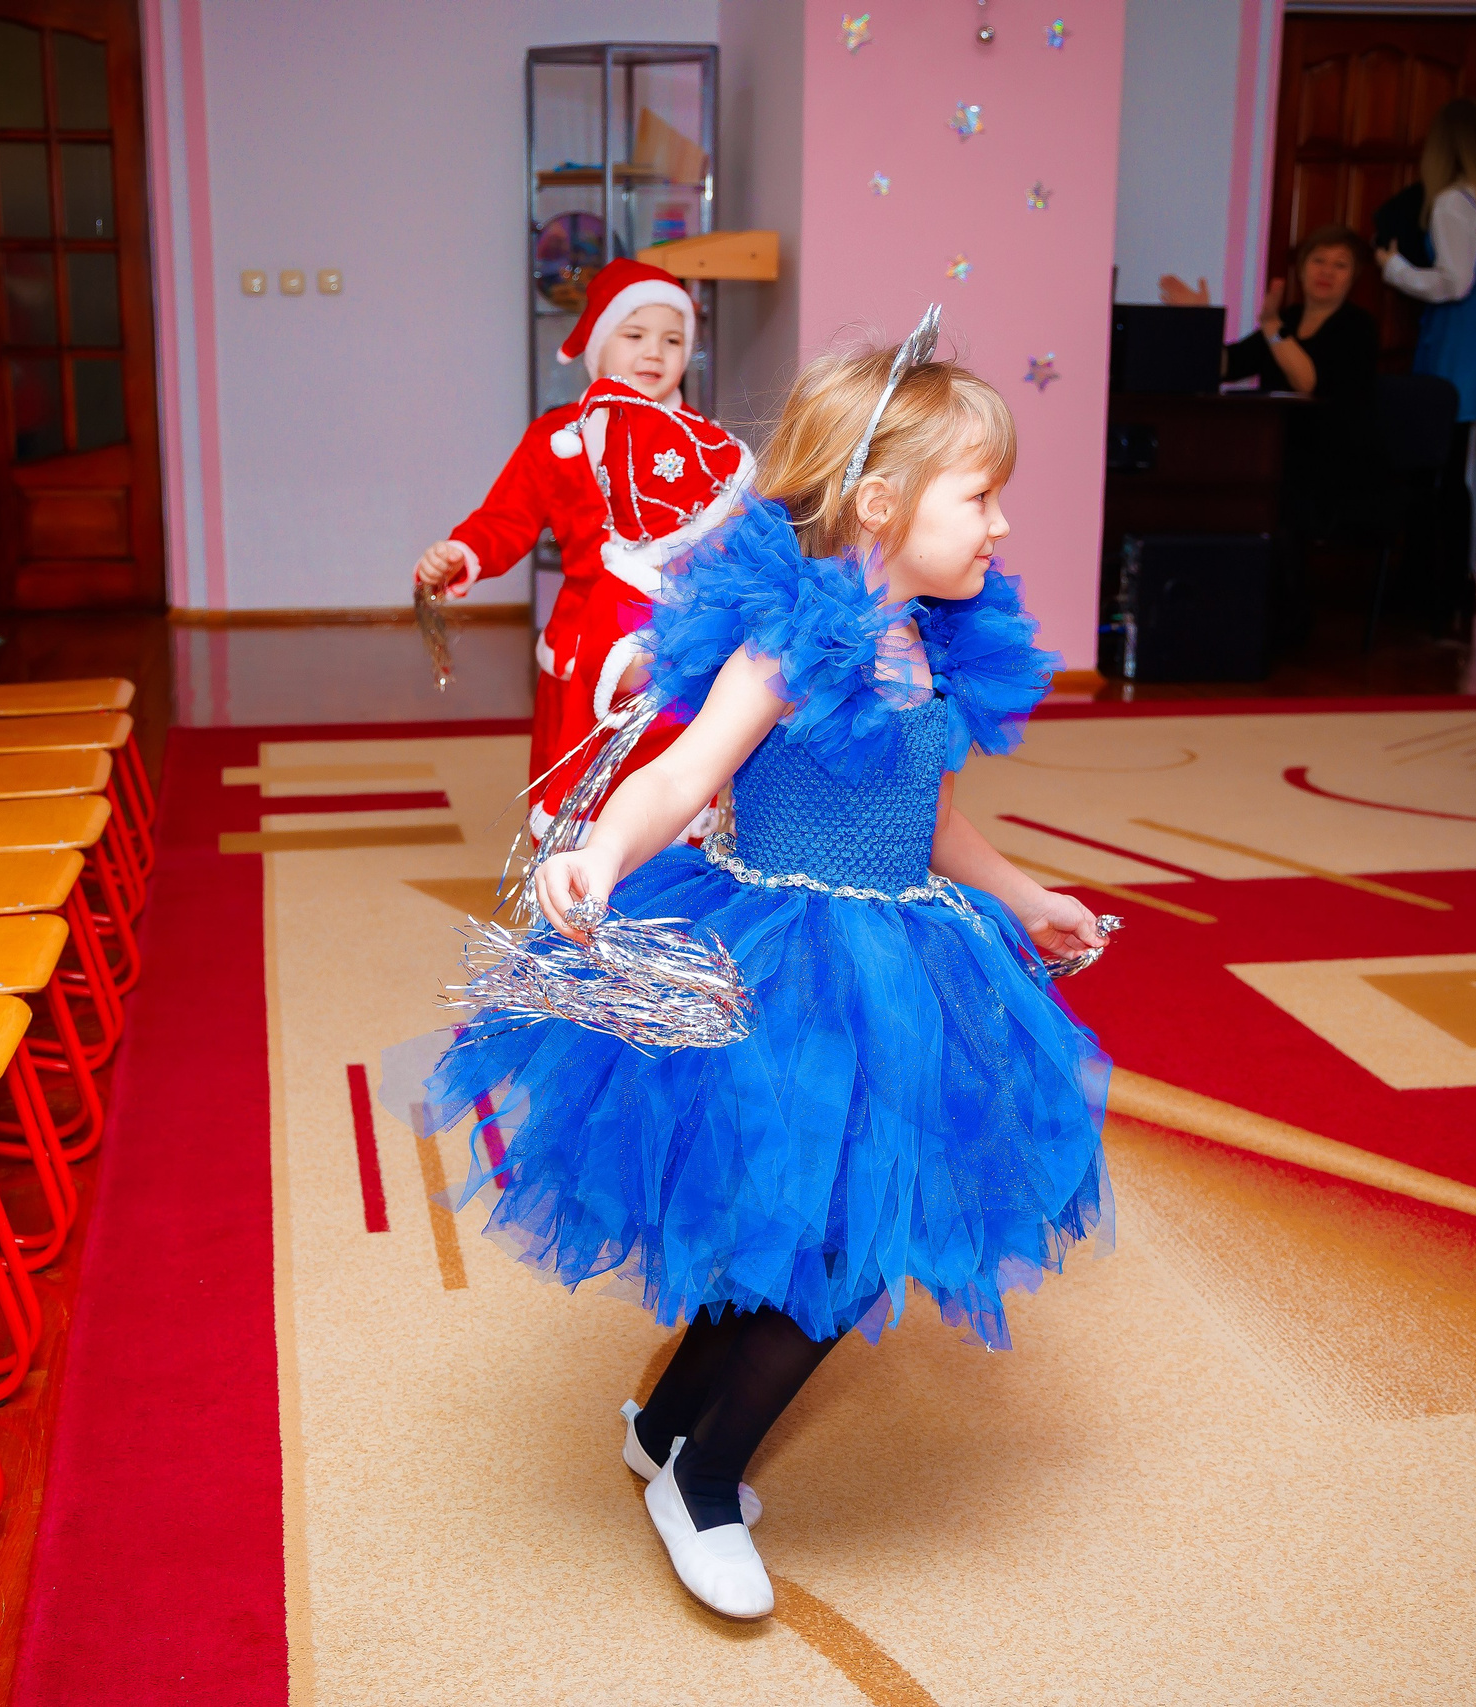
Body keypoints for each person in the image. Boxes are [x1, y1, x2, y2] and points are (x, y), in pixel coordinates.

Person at [419, 327, 1115, 1621]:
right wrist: (601, 852)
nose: (1004, 523)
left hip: (910, 957)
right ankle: (706, 1473)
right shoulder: (793, 639)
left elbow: (935, 816)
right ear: (880, 502)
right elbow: (684, 775)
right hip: (788, 967)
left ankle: (668, 1418)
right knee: (833, 1237)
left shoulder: (937, 640)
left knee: (811, 1219)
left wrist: (1030, 899)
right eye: (981, 495)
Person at [413, 258, 749, 829]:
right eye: (635, 335)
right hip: (579, 643)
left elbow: (732, 535)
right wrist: (463, 551)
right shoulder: (556, 437)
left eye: (673, 340)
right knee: (570, 777)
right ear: (597, 346)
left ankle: (674, 878)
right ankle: (561, 865)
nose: (655, 353)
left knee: (673, 772)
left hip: (671, 638)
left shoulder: (701, 443)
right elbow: (506, 516)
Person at [1379, 98, 1476, 622]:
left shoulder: (1453, 202)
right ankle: (1445, 583)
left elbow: (1452, 283)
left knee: (1438, 467)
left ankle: (1431, 588)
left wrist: (1394, 268)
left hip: (1457, 336)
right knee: (1450, 464)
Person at [1165, 227, 1381, 535]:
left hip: (1334, 465)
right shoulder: (1288, 318)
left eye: (1340, 265)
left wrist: (1272, 326)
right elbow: (1227, 365)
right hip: (1279, 456)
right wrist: (1200, 320)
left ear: (1353, 276)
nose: (1327, 272)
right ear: (1302, 268)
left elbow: (1307, 383)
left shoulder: (1357, 326)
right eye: (1318, 260)